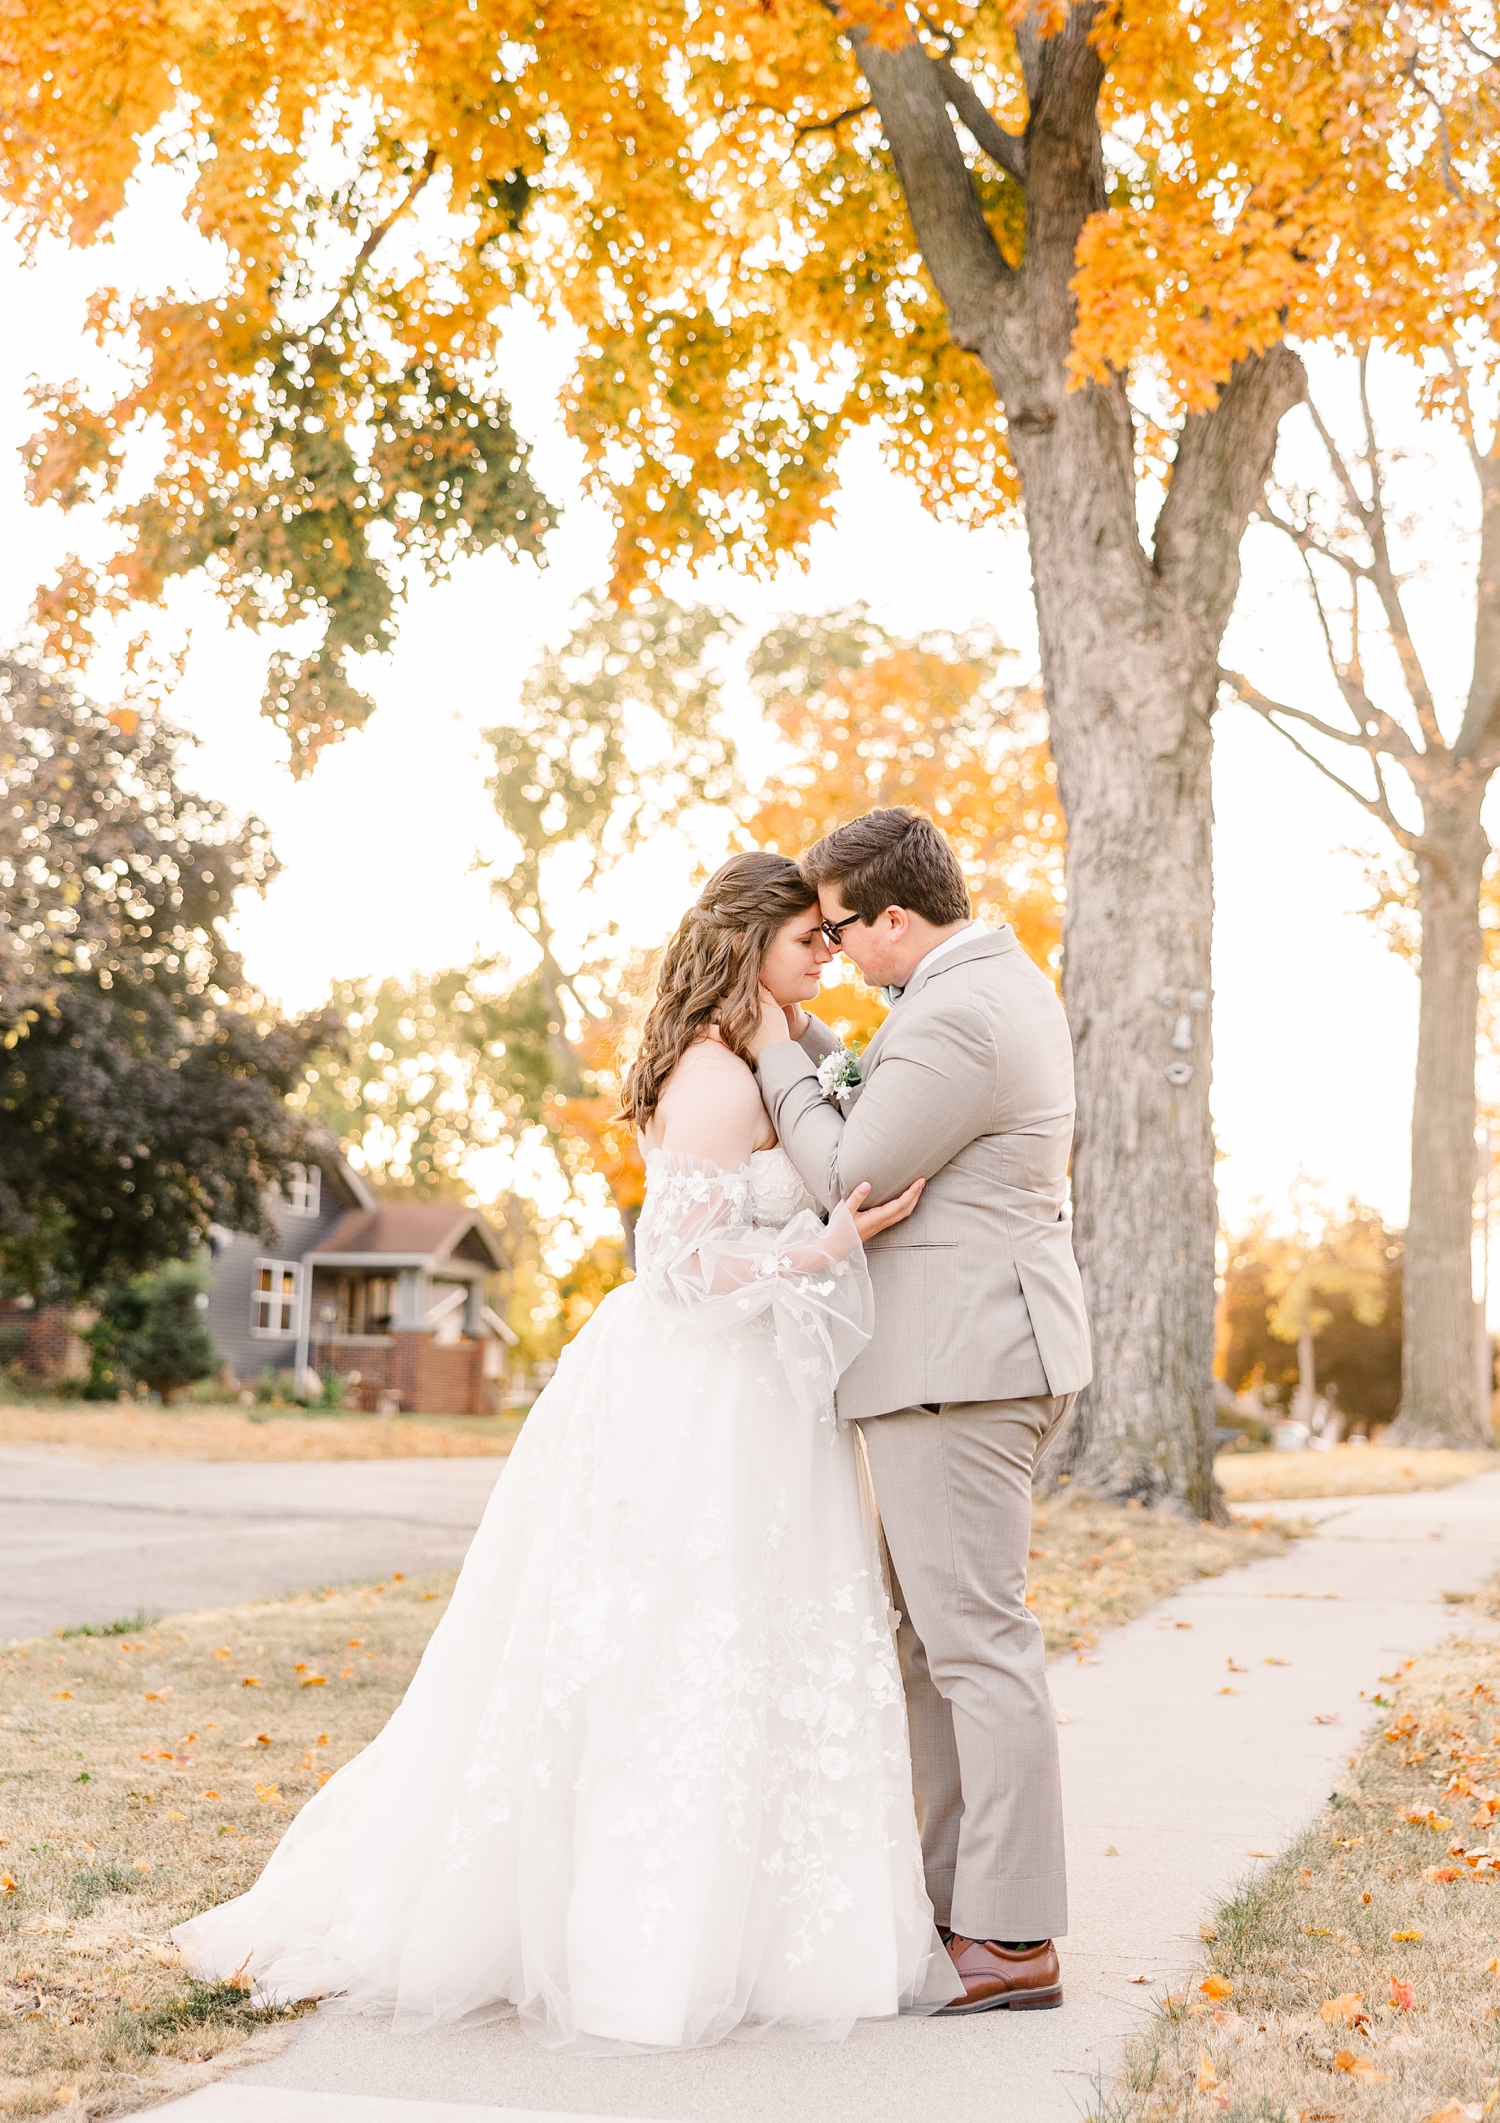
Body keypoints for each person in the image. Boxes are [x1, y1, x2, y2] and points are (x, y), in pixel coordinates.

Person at [174, 851, 960, 2051]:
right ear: (751, 948)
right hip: (699, 1397)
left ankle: (782, 1925)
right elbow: (679, 1270)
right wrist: (820, 1247)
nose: (827, 958)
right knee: (680, 1638)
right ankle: (649, 1937)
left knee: (758, 1638)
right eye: (808, 940)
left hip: (757, 1397)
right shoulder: (713, 1072)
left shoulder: (766, 1058)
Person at [752, 808, 1093, 2017]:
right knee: (930, 1651)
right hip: (950, 1359)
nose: (835, 952)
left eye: (841, 930)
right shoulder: (972, 991)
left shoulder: (959, 1009)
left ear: (896, 918)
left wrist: (777, 1052)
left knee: (974, 1646)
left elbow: (854, 1171)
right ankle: (957, 1909)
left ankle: (1011, 1937)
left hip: (963, 1364)